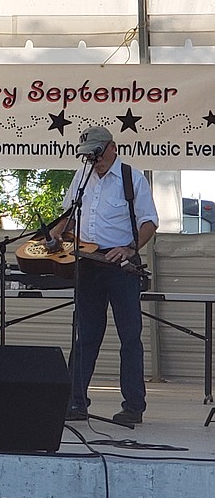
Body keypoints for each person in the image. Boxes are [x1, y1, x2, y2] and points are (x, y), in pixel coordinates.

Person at [55, 125, 157, 425]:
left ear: (112, 147)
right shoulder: (82, 177)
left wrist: (128, 248)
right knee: (85, 335)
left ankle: (133, 406)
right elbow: (68, 217)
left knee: (129, 336)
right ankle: (76, 402)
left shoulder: (131, 177)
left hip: (121, 267)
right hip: (86, 263)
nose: (94, 160)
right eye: (89, 155)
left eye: (97, 153)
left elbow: (150, 222)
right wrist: (52, 241)